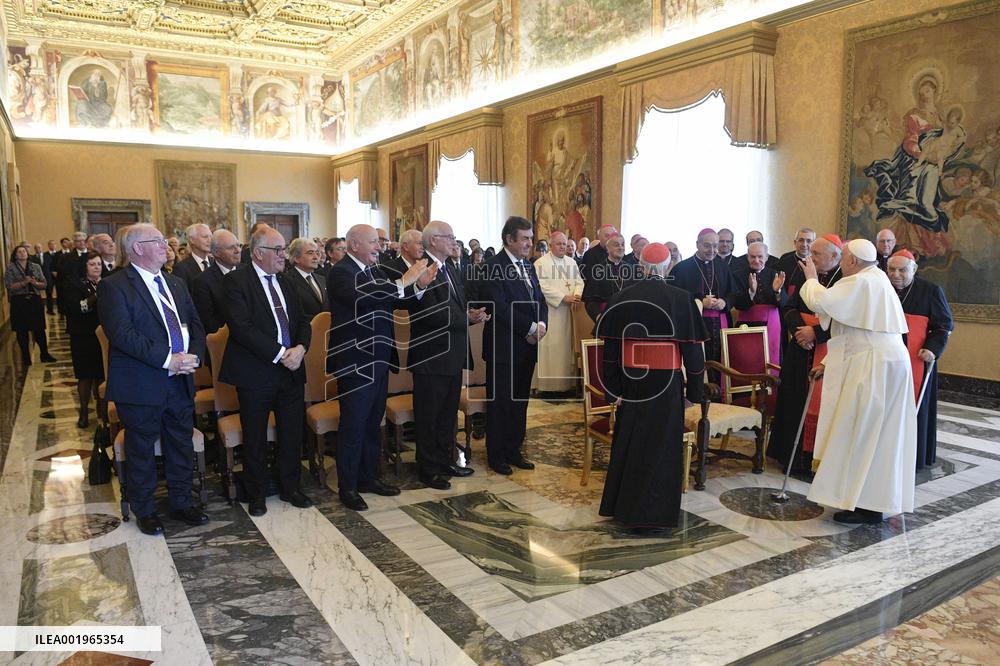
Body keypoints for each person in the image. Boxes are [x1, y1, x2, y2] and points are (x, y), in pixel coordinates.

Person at [97, 223, 207, 535]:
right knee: (141, 448)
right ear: (137, 249)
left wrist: (193, 357)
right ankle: (145, 509)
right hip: (141, 382)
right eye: (156, 241)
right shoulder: (115, 286)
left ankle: (182, 501)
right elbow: (122, 334)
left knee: (179, 443)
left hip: (181, 379)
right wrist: (167, 360)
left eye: (163, 240)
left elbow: (196, 325)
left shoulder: (175, 283)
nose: (165, 245)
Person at [800, 238, 916, 524]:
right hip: (887, 361)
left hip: (872, 366)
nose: (841, 265)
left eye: (843, 260)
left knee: (862, 430)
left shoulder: (861, 281)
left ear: (852, 260)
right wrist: (828, 362)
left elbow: (820, 301)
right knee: (881, 434)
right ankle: (870, 501)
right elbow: (853, 328)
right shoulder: (876, 278)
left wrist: (811, 278)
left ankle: (866, 504)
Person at [597, 243, 707, 534]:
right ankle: (655, 514)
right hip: (666, 384)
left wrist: (612, 390)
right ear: (668, 267)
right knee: (662, 447)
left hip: (632, 382)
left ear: (642, 266)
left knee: (631, 442)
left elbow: (610, 351)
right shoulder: (682, 300)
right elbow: (693, 355)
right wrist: (694, 393)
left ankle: (623, 509)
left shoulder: (621, 297)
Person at [327, 224, 436, 510]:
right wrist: (404, 280)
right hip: (355, 362)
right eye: (374, 242)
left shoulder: (374, 271)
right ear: (353, 246)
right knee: (353, 425)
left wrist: (419, 285)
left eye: (379, 242)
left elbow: (396, 303)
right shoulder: (341, 272)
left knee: (373, 424)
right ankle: (347, 487)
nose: (380, 246)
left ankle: (368, 477)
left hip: (378, 359)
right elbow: (364, 298)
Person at [220, 226, 314, 517]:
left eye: (284, 249)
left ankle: (290, 487)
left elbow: (303, 321)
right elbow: (241, 327)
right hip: (255, 372)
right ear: (258, 253)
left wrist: (300, 348)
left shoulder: (287, 282)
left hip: (291, 370)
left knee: (291, 432)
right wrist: (280, 354)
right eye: (278, 250)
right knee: (256, 435)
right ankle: (256, 492)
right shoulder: (236, 281)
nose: (283, 256)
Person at [408, 221, 487, 489]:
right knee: (429, 416)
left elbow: (456, 305)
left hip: (453, 354)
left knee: (446, 415)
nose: (454, 241)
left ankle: (445, 461)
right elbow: (430, 312)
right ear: (433, 241)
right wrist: (465, 319)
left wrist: (471, 315)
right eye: (449, 237)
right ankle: (428, 469)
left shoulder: (450, 267)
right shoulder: (421, 268)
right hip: (431, 355)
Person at [481, 216, 548, 475]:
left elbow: (539, 299)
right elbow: (499, 307)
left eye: (531, 238)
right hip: (503, 347)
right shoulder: (492, 266)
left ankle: (513, 449)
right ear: (509, 239)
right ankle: (496, 455)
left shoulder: (528, 266)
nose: (529, 243)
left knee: (520, 402)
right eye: (525, 238)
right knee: (501, 404)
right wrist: (530, 328)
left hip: (527, 347)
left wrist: (541, 324)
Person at [768, 236, 842, 470]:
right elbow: (790, 306)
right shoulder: (806, 273)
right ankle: (791, 457)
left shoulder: (845, 280)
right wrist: (800, 331)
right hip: (800, 349)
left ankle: (815, 460)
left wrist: (816, 333)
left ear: (834, 256)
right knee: (794, 399)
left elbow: (845, 319)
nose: (810, 257)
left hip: (828, 350)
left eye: (816, 253)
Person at [886, 250, 953, 469]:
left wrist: (932, 349)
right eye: (891, 269)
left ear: (914, 270)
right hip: (886, 360)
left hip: (917, 360)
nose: (896, 274)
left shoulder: (931, 291)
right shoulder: (882, 290)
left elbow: (944, 326)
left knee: (915, 408)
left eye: (902, 270)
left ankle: (913, 457)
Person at [668, 228, 737, 383]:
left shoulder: (723, 267)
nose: (712, 250)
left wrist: (725, 302)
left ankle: (720, 399)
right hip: (694, 324)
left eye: (715, 246)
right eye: (707, 245)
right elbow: (675, 298)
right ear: (697, 244)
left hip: (720, 325)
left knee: (720, 364)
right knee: (697, 363)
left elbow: (733, 294)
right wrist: (699, 302)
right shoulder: (682, 268)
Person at [535, 231, 584, 393]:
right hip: (551, 313)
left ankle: (565, 385)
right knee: (551, 347)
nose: (563, 246)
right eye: (559, 244)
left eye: (564, 243)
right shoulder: (541, 263)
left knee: (566, 350)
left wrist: (576, 295)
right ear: (550, 245)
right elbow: (542, 287)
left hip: (569, 314)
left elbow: (579, 282)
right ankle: (547, 387)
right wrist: (563, 297)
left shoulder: (571, 262)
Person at [64, 252, 105, 427]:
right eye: (92, 264)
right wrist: (98, 293)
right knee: (85, 375)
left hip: (102, 335)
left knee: (101, 375)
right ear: (84, 267)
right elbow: (79, 307)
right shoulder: (75, 284)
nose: (97, 267)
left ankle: (102, 413)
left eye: (99, 264)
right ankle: (83, 413)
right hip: (82, 335)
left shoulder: (106, 282)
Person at [731, 242, 786, 362]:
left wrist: (777, 292)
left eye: (760, 257)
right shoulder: (738, 275)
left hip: (771, 325)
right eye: (752, 257)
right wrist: (750, 292)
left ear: (766, 257)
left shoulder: (775, 275)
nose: (756, 260)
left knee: (772, 359)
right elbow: (737, 304)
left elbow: (784, 304)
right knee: (747, 360)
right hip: (746, 325)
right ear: (747, 257)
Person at [5, 245, 56, 365]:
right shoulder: (11, 268)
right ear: (15, 255)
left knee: (39, 328)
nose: (23, 253)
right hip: (19, 301)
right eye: (19, 252)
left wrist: (34, 282)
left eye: (24, 251)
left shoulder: (35, 266)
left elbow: (44, 284)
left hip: (34, 300)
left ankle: (44, 354)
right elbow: (9, 286)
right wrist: (24, 283)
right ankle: (26, 357)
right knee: (21, 330)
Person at [191, 229, 241, 335]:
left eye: (238, 245)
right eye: (231, 247)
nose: (238, 250)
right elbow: (208, 322)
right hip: (225, 341)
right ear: (217, 253)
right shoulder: (202, 282)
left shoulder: (249, 273)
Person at [582, 233, 631, 322]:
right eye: (616, 245)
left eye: (623, 244)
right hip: (607, 317)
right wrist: (598, 317)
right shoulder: (598, 270)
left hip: (628, 317)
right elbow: (590, 301)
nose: (621, 247)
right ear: (607, 248)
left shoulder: (631, 269)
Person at [284, 237, 328, 321]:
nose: (316, 257)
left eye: (317, 253)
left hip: (324, 331)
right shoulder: (288, 280)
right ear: (296, 257)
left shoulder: (321, 279)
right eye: (310, 253)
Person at [42, 239, 59, 314]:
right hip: (49, 277)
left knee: (60, 293)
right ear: (48, 246)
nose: (52, 245)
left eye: (53, 244)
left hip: (58, 277)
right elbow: (45, 267)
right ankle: (50, 309)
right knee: (49, 294)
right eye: (50, 244)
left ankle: (60, 309)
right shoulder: (45, 255)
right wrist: (48, 277)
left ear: (56, 245)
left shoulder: (59, 254)